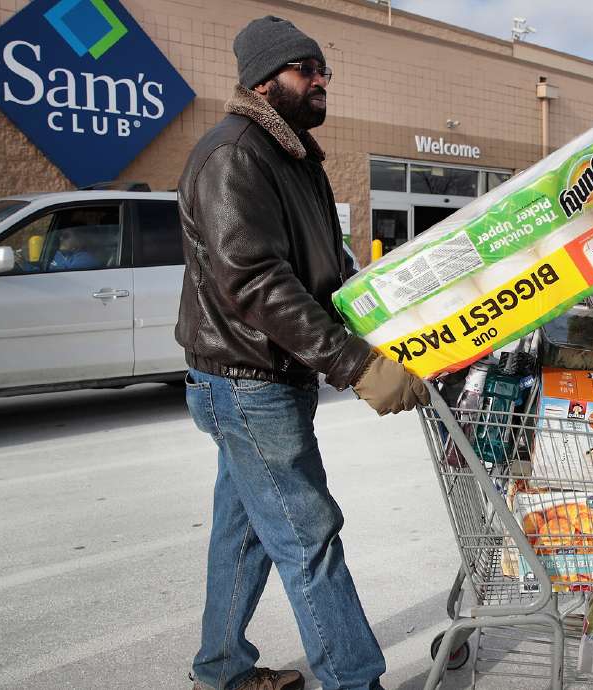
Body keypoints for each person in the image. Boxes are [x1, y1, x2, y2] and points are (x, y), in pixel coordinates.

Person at [176, 16, 429, 690]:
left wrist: (389, 327)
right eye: (304, 70)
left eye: (322, 70)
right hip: (246, 381)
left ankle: (221, 670)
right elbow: (255, 281)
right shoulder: (235, 155)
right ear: (264, 80)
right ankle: (354, 681)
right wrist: (355, 364)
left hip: (264, 377)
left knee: (248, 532)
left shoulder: (295, 158)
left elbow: (325, 274)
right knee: (307, 535)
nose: (320, 82)